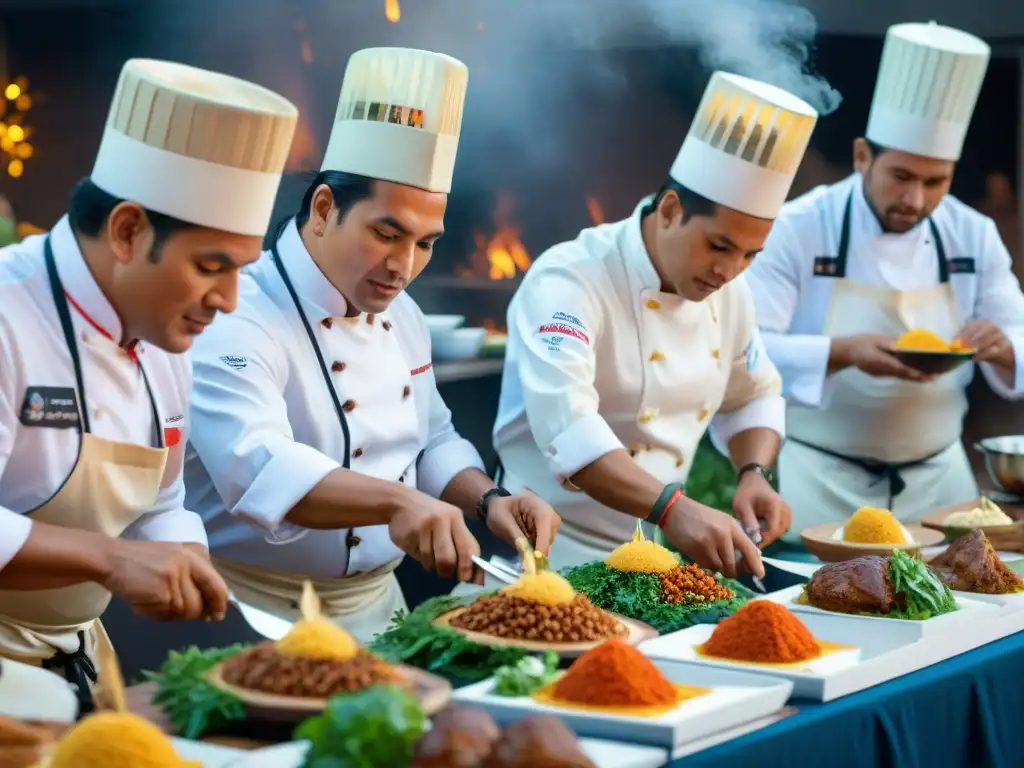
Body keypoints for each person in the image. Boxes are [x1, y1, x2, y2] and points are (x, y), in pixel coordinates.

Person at [184, 48, 561, 644]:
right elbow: (259, 465)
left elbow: (432, 436)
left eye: (425, 243)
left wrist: (488, 498)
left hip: (381, 610)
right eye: (386, 234)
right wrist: (397, 504)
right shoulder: (238, 315)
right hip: (253, 614)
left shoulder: (402, 313)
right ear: (324, 208)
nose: (403, 266)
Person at [0, 59, 298, 706]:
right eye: (210, 266)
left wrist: (184, 553)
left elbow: (162, 502)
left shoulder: (165, 333)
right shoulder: (7, 315)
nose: (228, 299)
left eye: (242, 269)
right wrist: (110, 560)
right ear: (129, 231)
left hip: (78, 659)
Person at [493, 71, 820, 575]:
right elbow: (571, 427)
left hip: (648, 561)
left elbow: (752, 392)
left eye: (750, 255)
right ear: (669, 210)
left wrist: (754, 472)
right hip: (544, 552)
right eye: (718, 246)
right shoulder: (570, 278)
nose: (729, 271)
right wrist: (674, 509)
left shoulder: (729, 291)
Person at [744, 22, 1024, 539]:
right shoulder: (798, 226)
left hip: (943, 486)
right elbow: (746, 350)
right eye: (901, 176)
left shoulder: (971, 232)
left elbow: (1020, 333)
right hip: (822, 486)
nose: (915, 201)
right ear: (861, 157)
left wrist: (1005, 347)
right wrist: (841, 352)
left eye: (935, 181)